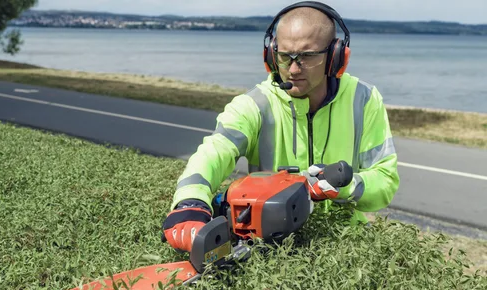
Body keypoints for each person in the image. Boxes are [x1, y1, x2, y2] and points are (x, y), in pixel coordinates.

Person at [162, 1, 399, 253]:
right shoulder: (254, 104)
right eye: (285, 56)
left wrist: (340, 187)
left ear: (336, 56)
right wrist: (190, 201)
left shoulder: (363, 99)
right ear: (271, 55)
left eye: (307, 57)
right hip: (269, 244)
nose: (294, 69)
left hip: (344, 240)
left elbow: (385, 181)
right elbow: (213, 152)